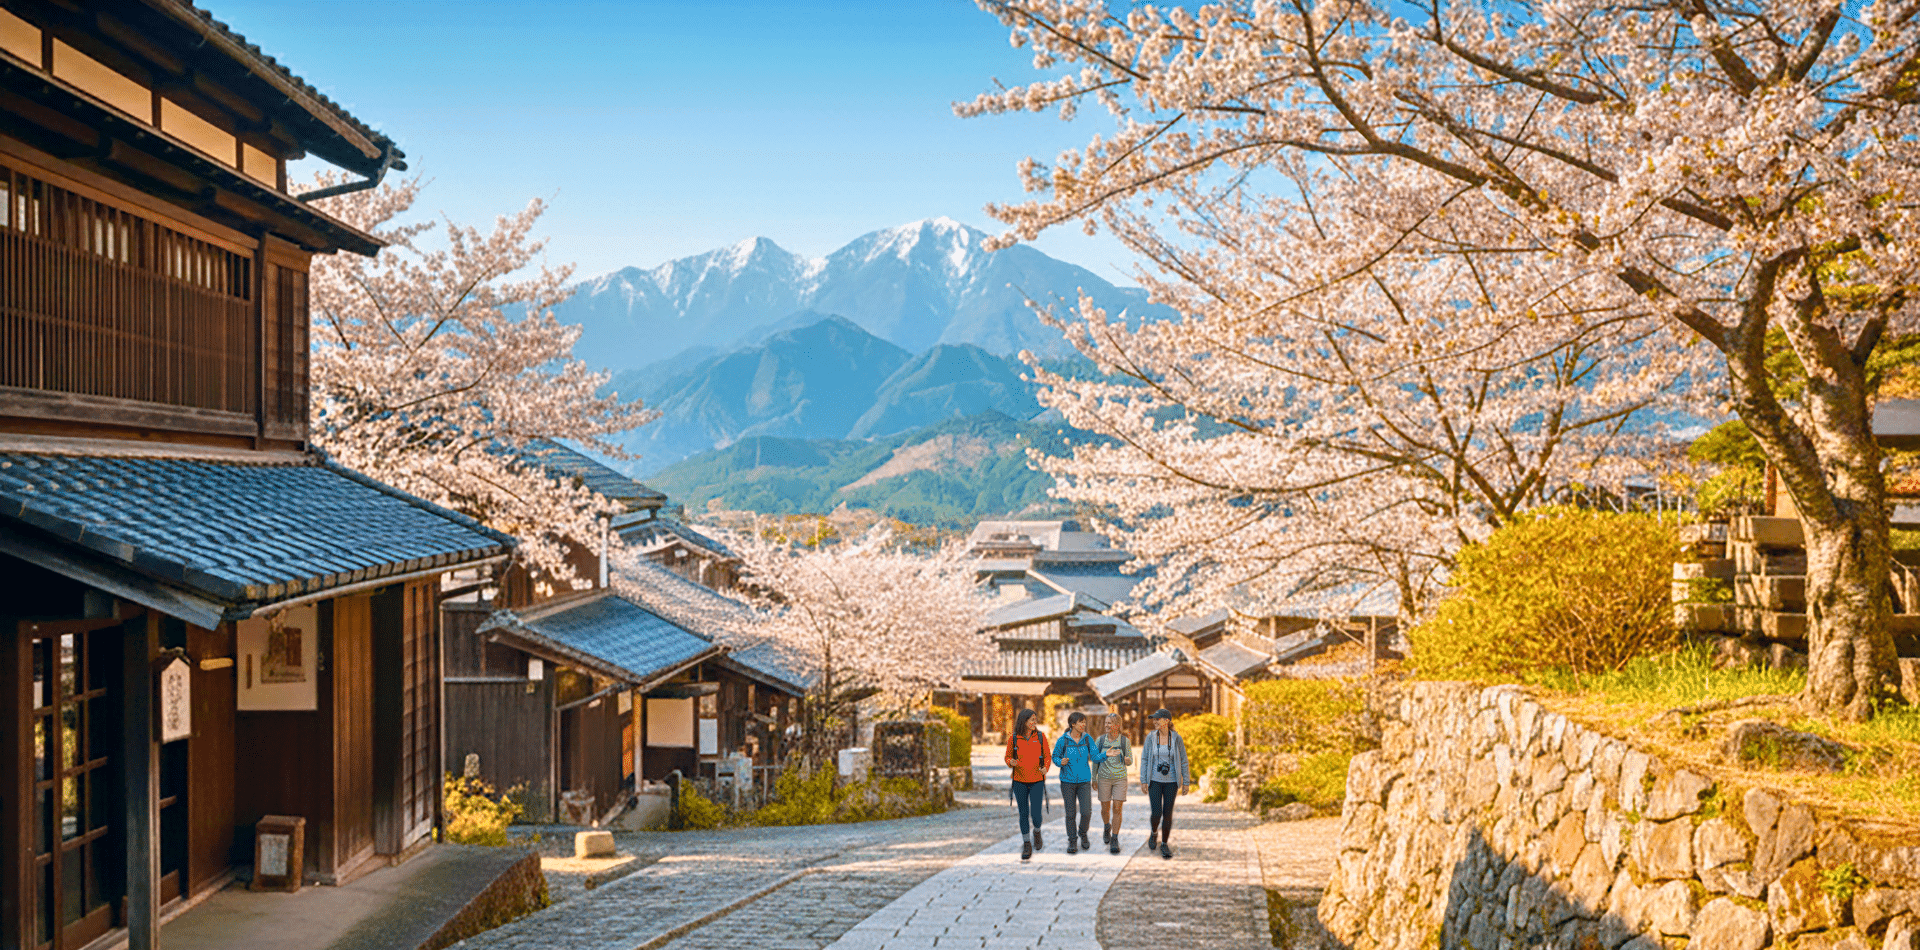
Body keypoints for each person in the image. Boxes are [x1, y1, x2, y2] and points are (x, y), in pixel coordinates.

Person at [1138, 707, 1191, 860]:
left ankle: (1165, 844)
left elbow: (1183, 760)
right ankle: (1154, 833)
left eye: (1157, 719)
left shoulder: (1176, 738)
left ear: (1166, 721)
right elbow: (1145, 759)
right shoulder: (1151, 737)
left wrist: (1186, 781)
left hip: (1172, 782)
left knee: (1167, 813)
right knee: (1156, 813)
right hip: (1154, 780)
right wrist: (1143, 780)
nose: (1154, 722)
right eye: (1154, 719)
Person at [1052, 711, 1105, 855]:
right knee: (1070, 814)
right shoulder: (1063, 740)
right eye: (1081, 722)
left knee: (1086, 812)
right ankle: (1072, 840)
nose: (1084, 725)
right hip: (1067, 782)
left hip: (1084, 781)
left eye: (1084, 722)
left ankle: (1082, 833)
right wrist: (1060, 762)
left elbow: (1095, 756)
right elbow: (1055, 756)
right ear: (1072, 724)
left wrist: (1106, 755)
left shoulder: (1087, 739)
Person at [1004, 707, 1050, 862]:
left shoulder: (1041, 737)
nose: (1034, 722)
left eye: (1035, 719)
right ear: (1023, 721)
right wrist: (1011, 762)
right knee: (1023, 813)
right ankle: (1026, 843)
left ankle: (1037, 832)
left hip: (1037, 780)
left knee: (1036, 814)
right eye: (1032, 719)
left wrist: (1046, 768)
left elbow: (1047, 757)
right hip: (1019, 781)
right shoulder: (1014, 738)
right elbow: (1008, 756)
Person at [1093, 713, 1131, 854]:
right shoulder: (1100, 740)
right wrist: (1094, 778)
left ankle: (1114, 838)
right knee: (1105, 809)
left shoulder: (1124, 741)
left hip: (1120, 778)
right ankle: (1106, 826)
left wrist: (1127, 760)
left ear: (1117, 725)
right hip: (1103, 778)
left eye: (1109, 723)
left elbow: (1130, 760)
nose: (1106, 725)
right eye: (1106, 723)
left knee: (1117, 808)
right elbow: (1096, 759)